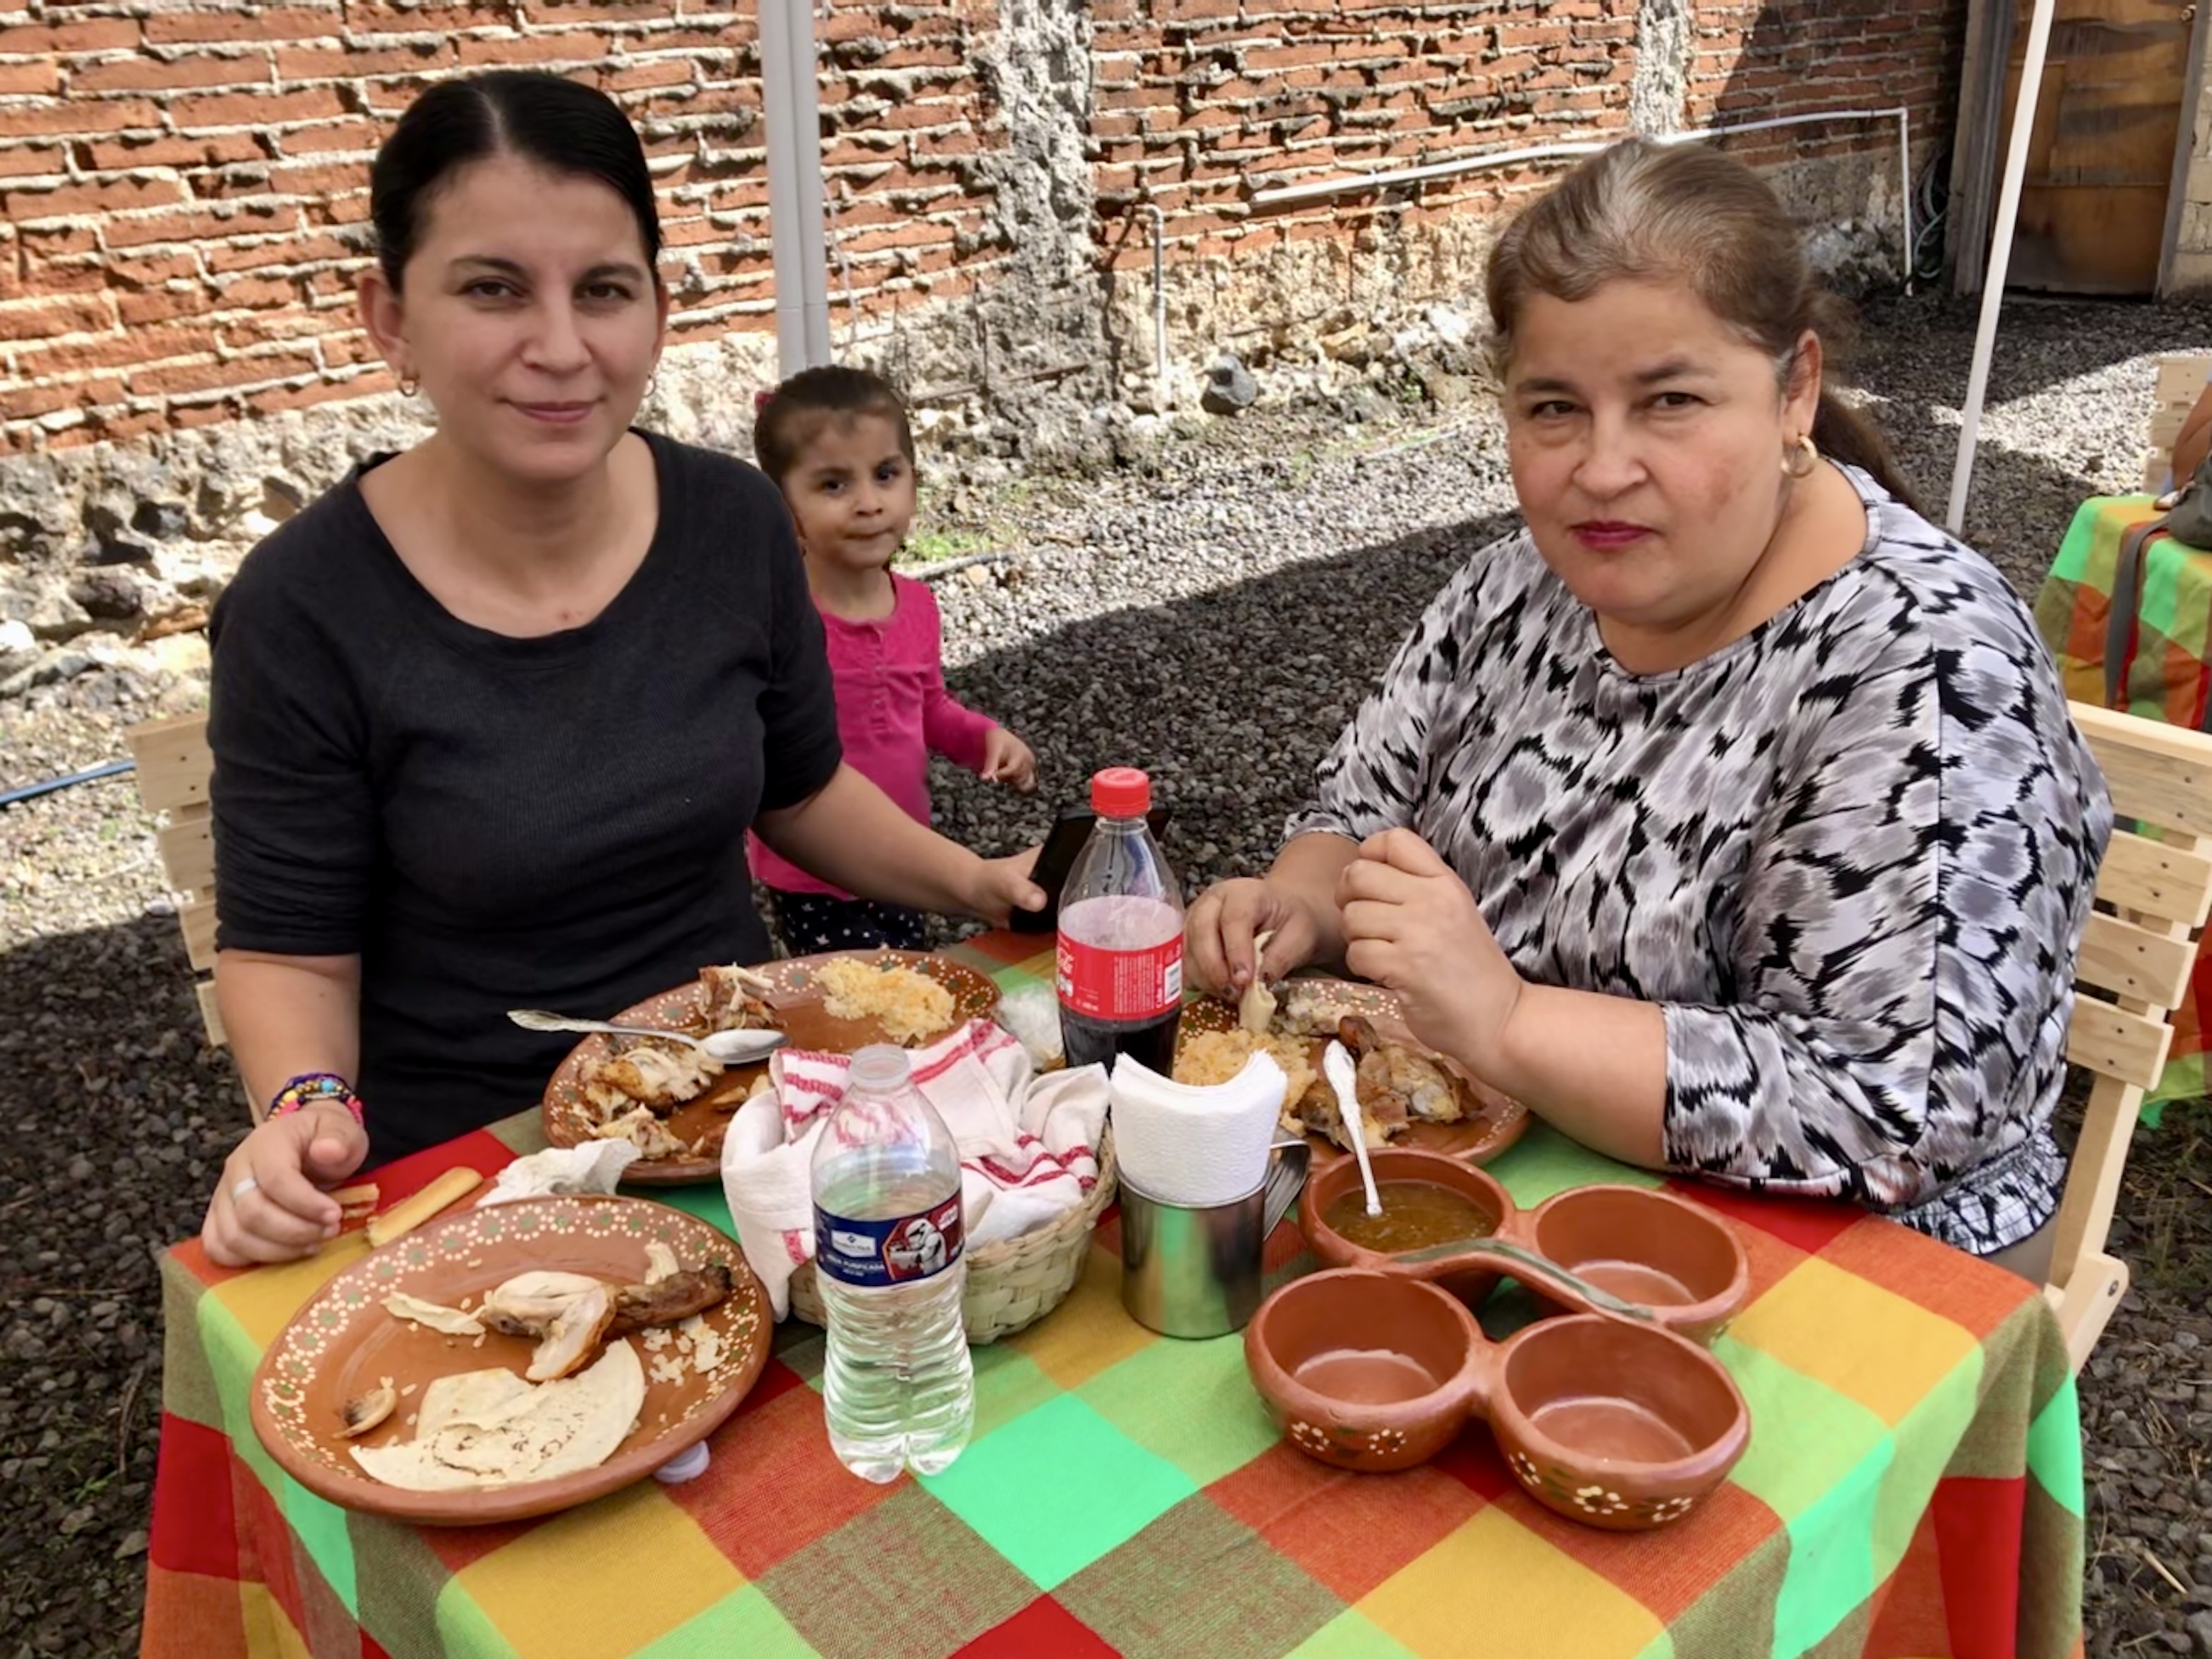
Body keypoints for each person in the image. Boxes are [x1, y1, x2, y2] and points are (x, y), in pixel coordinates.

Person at [1186, 140, 2112, 1275]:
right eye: (1554, 408)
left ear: (1796, 391)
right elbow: (1361, 802)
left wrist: (1513, 1025)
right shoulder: (1516, 586)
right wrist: (1304, 905)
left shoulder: (1928, 670)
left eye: (1670, 401)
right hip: (1512, 1184)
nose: (1602, 467)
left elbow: (1895, 1112)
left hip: (1848, 1264)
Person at [199, 72, 1042, 1267]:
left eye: (603, 291)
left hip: (734, 1113)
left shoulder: (734, 522)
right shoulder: (305, 609)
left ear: (657, 306)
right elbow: (291, 947)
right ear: (389, 317)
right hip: (472, 1165)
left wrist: (980, 886)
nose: (561, 348)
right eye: (493, 289)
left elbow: (797, 789)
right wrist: (302, 1110)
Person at [748, 367, 1039, 953]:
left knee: (904, 982)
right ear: (784, 503)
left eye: (886, 475)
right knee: (855, 1004)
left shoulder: (918, 606)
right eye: (833, 485)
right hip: (815, 873)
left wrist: (983, 738)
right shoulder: (778, 615)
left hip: (912, 854)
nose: (868, 504)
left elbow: (927, 704)